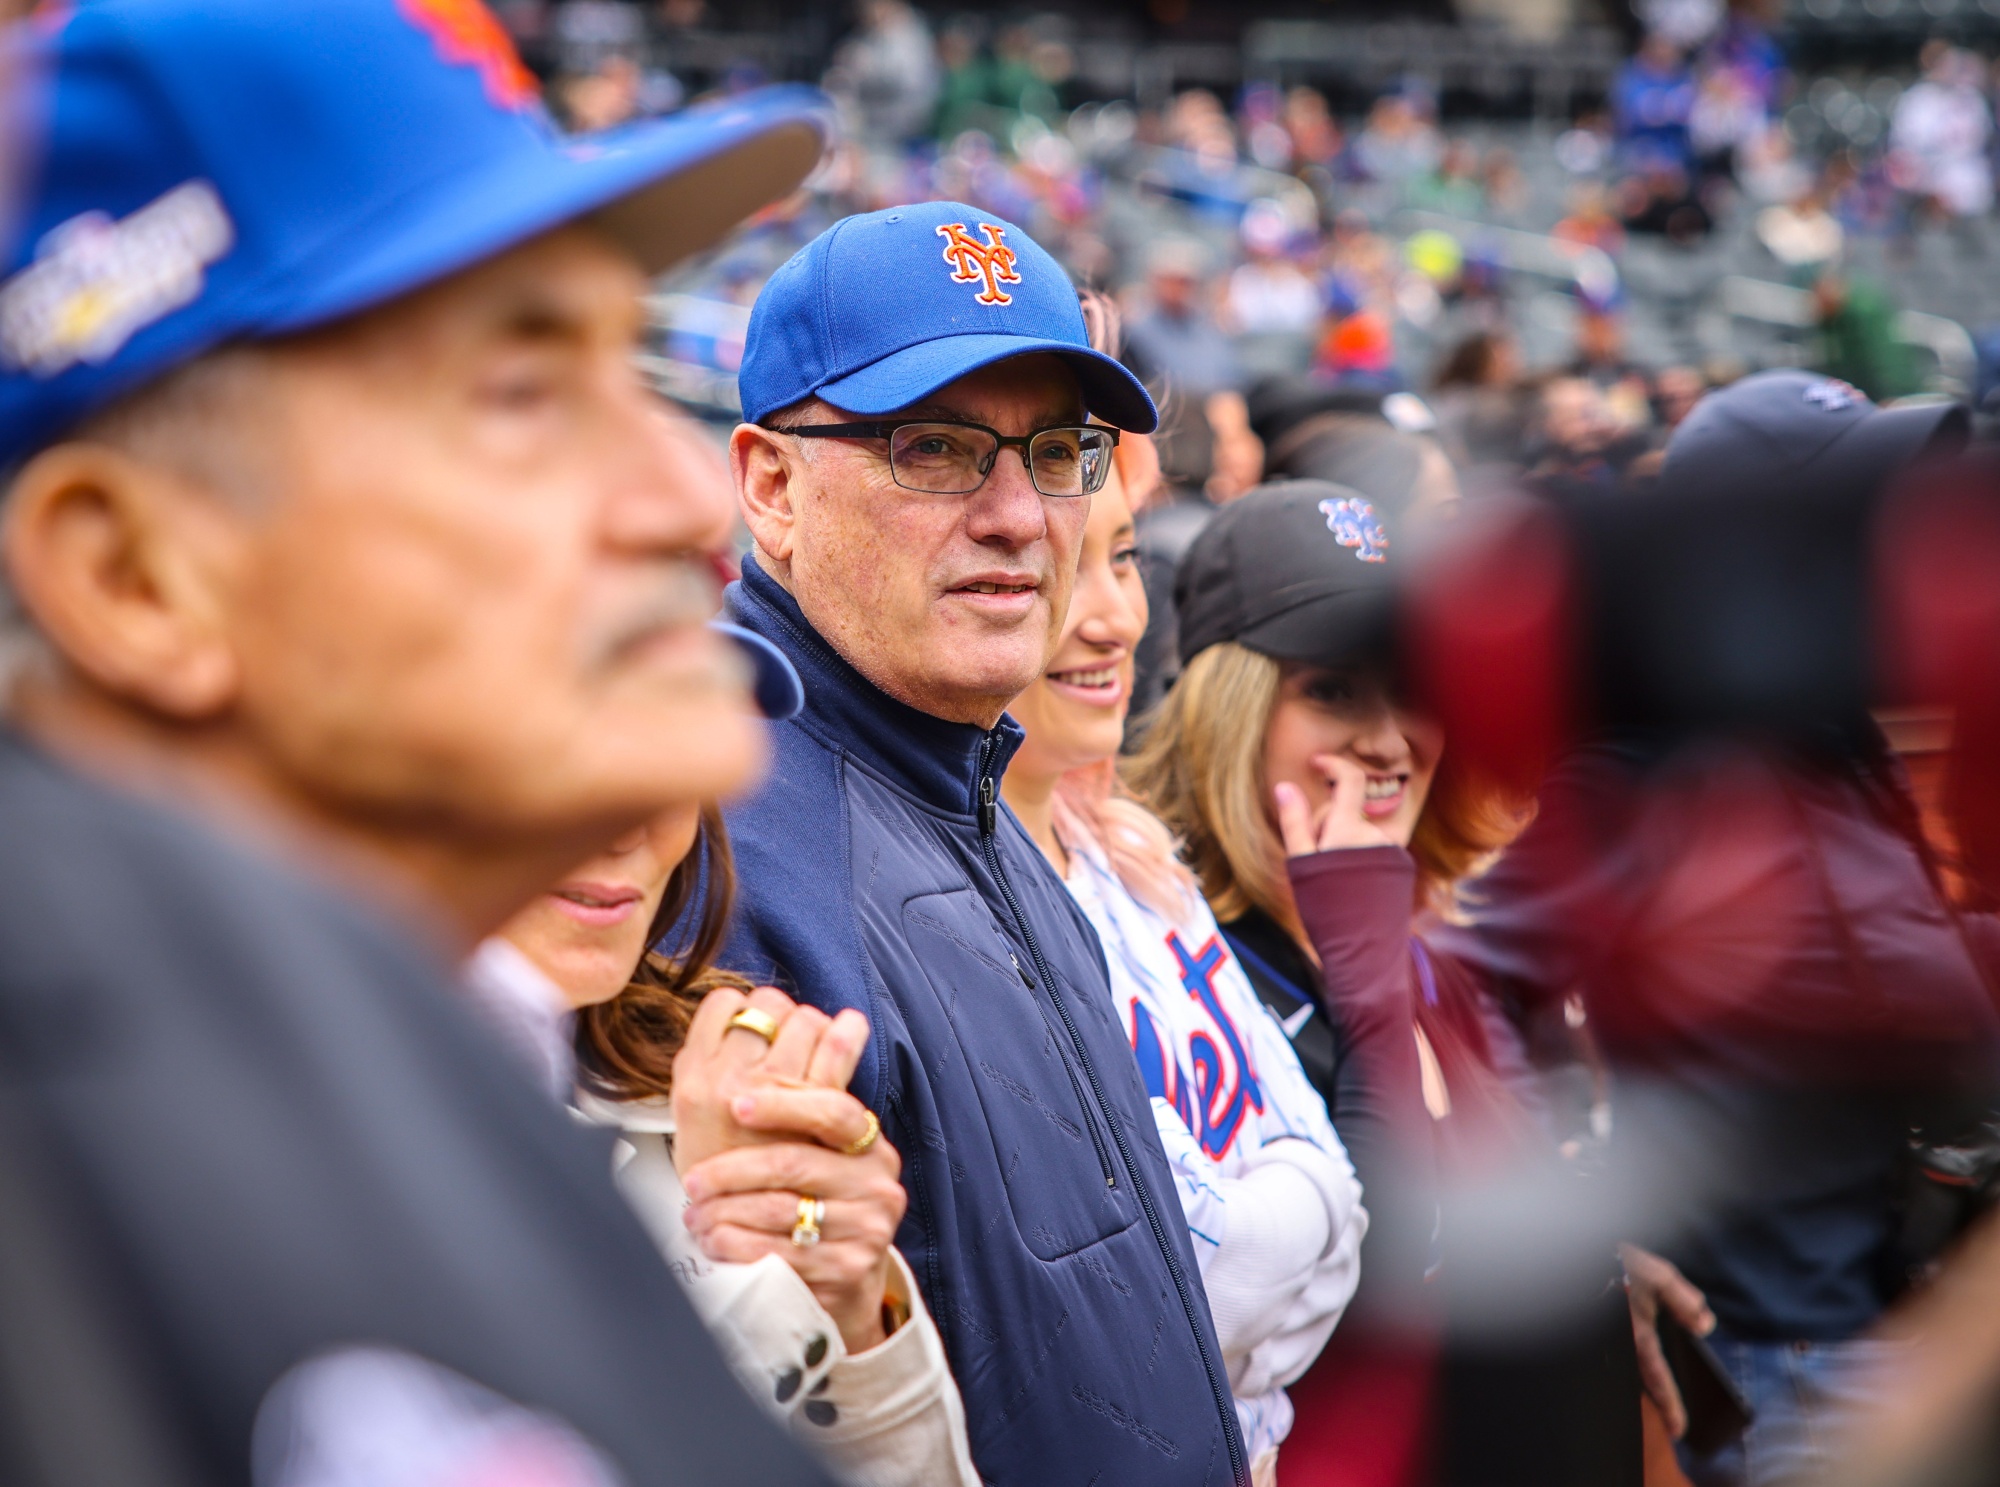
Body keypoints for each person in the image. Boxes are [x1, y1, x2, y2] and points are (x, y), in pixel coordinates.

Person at [0, 4, 842, 1481]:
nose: (686, 496)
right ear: (135, 577)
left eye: (625, 365)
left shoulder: (421, 1039)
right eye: (521, 391)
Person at [720, 199, 1250, 1485]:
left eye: (1058, 449)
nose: (1021, 513)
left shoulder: (974, 789)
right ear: (772, 485)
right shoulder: (715, 855)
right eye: (939, 449)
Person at [1431, 372, 2000, 1487]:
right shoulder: (1647, 762)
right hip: (1787, 1359)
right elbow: (1458, 989)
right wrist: (1588, 1224)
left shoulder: (1833, 731)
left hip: (1901, 1323)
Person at [1126, 481, 1646, 1487]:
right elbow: (1357, 1297)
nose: (1387, 736)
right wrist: (1365, 990)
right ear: (1225, 708)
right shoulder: (1169, 962)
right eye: (1330, 689)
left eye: (1410, 686)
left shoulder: (1427, 930)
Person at [1000, 432, 1367, 1484]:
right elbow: (1169, 1300)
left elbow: (1339, 1193)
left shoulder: (1132, 855)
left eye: (1121, 556)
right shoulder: (962, 902)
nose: (1114, 615)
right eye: (1061, 563)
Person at [493, 788, 981, 1487]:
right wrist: (762, 1298)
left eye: (663, 760)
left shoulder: (709, 1054)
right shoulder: (320, 1125)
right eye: (545, 751)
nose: (628, 827)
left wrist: (854, 1308)